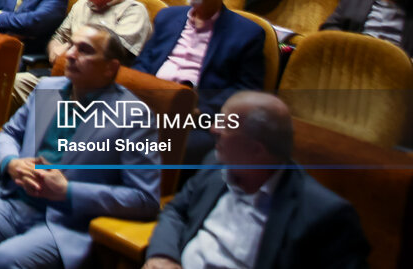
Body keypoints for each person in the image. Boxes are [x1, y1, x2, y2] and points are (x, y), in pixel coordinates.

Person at [0, 23, 161, 269]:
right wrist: (11, 162)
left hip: (68, 223)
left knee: (6, 260)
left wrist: (68, 191)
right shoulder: (46, 88)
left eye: (85, 50)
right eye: (71, 45)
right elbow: (10, 133)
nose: (70, 54)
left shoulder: (133, 116)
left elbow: (145, 199)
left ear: (110, 68)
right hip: (16, 201)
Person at [144, 91, 369, 269]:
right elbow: (177, 211)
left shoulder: (325, 216)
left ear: (255, 150)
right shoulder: (215, 164)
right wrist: (163, 255)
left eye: (226, 125)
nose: (213, 129)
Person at [134, 0, 265, 161]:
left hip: (197, 117)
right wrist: (142, 93)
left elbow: (247, 89)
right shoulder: (167, 17)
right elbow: (144, 61)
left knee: (161, 148)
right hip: (152, 102)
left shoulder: (248, 33)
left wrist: (201, 111)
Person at [14, 0, 152, 103]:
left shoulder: (133, 11)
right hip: (62, 77)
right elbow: (58, 37)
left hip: (101, 89)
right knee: (11, 83)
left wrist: (66, 49)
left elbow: (109, 53)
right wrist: (55, 52)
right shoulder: (81, 5)